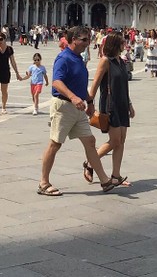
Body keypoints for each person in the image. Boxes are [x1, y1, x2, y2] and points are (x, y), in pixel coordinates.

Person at [39, 26, 115, 196]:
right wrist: (73, 97)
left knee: (90, 141)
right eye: (84, 40)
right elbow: (57, 82)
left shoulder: (78, 58)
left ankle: (104, 180)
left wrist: (90, 101)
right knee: (55, 143)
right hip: (64, 106)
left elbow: (79, 85)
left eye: (88, 39)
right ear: (73, 39)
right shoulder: (63, 58)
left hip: (78, 108)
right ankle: (43, 183)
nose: (88, 43)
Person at [87, 33, 133, 189]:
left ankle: (116, 175)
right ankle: (89, 163)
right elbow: (95, 84)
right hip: (110, 104)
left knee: (121, 141)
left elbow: (124, 86)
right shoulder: (105, 61)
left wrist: (130, 105)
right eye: (122, 42)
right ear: (115, 44)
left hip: (122, 104)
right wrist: (89, 103)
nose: (125, 44)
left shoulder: (121, 61)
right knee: (115, 141)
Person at [0, 32, 23, 116]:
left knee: (4, 91)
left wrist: (17, 73)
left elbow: (13, 62)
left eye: (1, 39)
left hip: (5, 71)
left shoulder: (9, 49)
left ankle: (3, 107)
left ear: (4, 40)